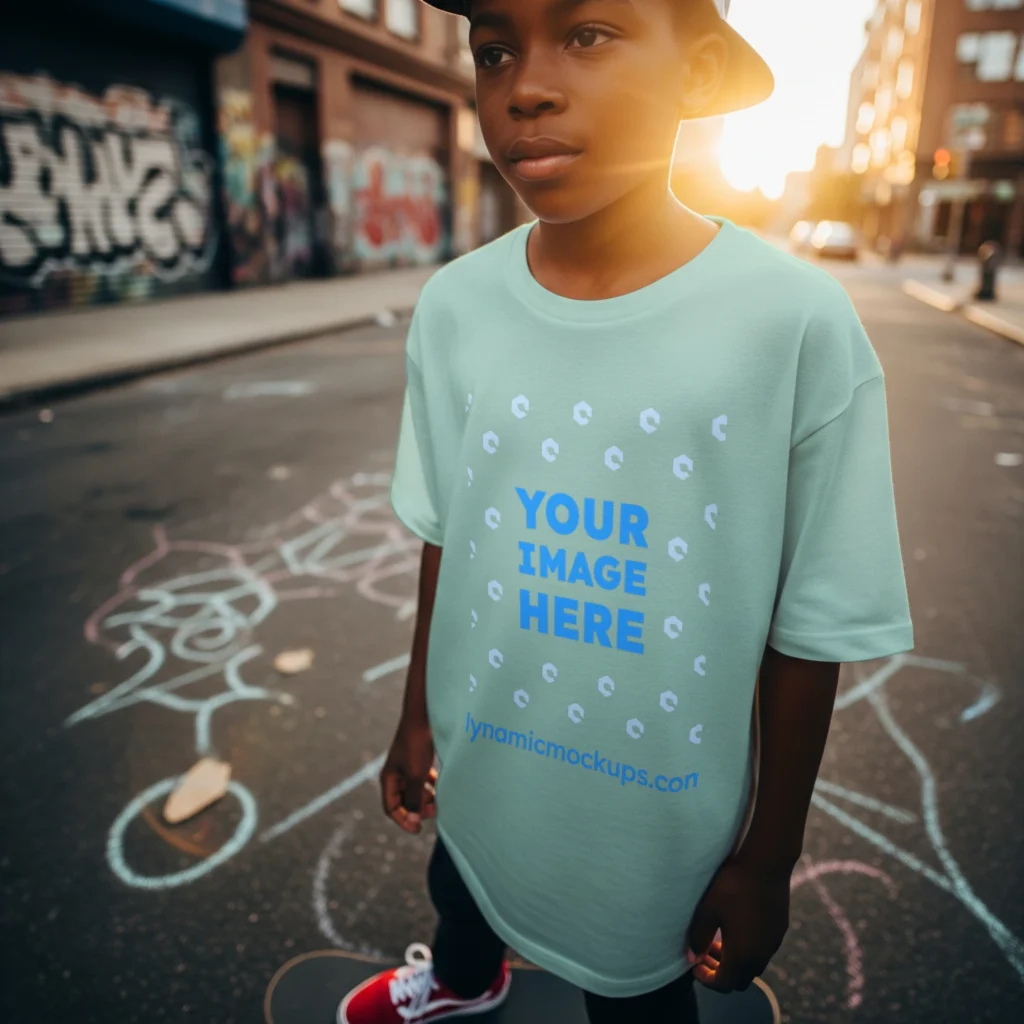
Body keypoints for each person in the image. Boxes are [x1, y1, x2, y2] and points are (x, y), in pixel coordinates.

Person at [338, 1, 914, 1022]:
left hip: (654, 821)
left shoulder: (791, 322)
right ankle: (464, 983)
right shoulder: (455, 306)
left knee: (637, 995)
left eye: (588, 34)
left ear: (695, 74)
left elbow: (812, 619)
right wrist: (418, 711)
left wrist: (768, 855)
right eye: (494, 49)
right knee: (461, 884)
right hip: (484, 755)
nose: (526, 85)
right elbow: (447, 531)